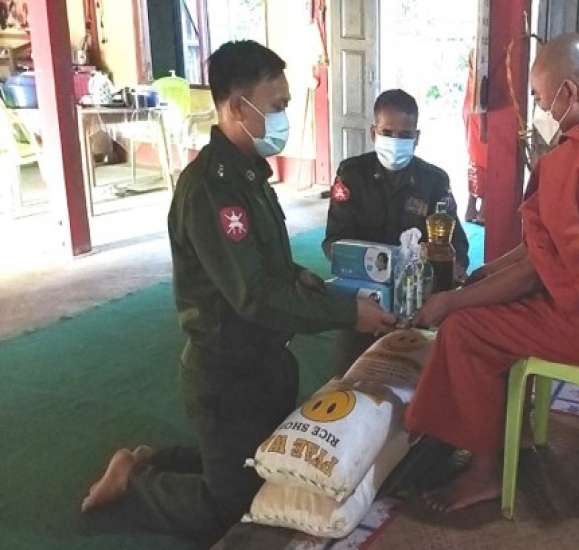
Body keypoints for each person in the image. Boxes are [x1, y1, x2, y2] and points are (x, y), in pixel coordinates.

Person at [80, 41, 395, 543]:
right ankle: (135, 484)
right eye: (277, 105)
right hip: (226, 373)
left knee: (268, 466)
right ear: (236, 107)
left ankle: (151, 459)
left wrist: (315, 284)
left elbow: (269, 266)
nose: (284, 116)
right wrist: (346, 314)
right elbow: (255, 295)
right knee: (232, 507)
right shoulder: (213, 187)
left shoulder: (249, 176)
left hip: (264, 361)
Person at [405, 33, 579, 512]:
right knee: (489, 294)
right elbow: (551, 247)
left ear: (568, 92)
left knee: (465, 329)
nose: (539, 111)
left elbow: (543, 274)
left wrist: (452, 301)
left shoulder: (578, 157)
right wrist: (490, 271)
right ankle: (505, 431)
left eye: (539, 99)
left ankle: (484, 473)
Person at [323, 89, 470, 371]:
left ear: (417, 137)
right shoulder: (352, 174)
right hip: (365, 300)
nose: (396, 141)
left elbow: (457, 247)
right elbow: (334, 243)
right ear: (373, 133)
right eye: (387, 132)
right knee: (349, 378)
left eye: (405, 135)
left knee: (418, 378)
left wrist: (446, 275)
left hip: (417, 303)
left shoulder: (434, 181)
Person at [463, 49, 487, 224]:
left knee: (475, 161)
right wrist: (484, 126)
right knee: (485, 163)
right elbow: (481, 98)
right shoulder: (482, 55)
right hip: (479, 116)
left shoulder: (477, 50)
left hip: (472, 113)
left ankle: (471, 208)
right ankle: (483, 210)